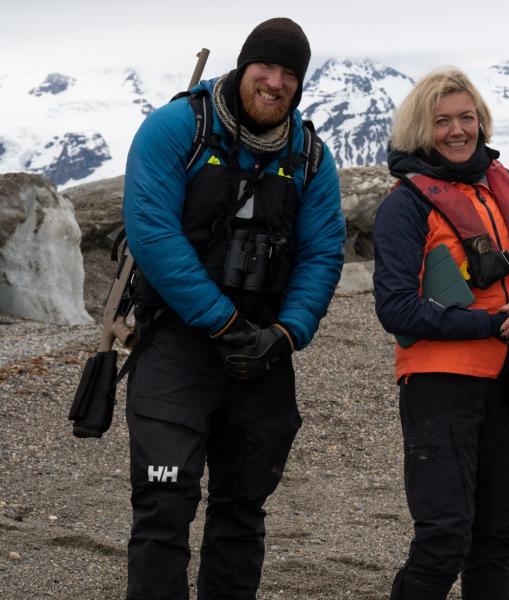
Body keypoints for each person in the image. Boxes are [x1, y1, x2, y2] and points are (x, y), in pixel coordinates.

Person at [121, 18, 344, 599]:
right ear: (243, 67)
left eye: (289, 74)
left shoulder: (310, 157)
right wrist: (222, 322)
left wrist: (288, 333)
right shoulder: (176, 128)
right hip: (177, 345)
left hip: (263, 354)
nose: (274, 83)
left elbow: (323, 253)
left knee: (242, 511)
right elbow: (152, 235)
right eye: (264, 68)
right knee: (163, 508)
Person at [373, 67, 509, 600]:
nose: (458, 131)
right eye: (443, 121)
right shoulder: (404, 205)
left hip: (505, 384)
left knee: (495, 537)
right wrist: (493, 323)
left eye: (467, 118)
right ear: (420, 130)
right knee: (443, 539)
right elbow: (397, 309)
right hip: (439, 389)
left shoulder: (500, 186)